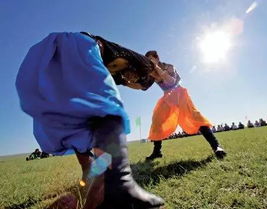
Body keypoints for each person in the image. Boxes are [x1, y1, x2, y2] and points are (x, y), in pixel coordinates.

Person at [16, 32, 164, 209]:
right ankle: (117, 185)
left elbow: (134, 86)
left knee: (79, 120)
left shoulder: (117, 76)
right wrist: (155, 65)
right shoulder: (140, 61)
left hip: (59, 56)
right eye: (136, 77)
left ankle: (91, 173)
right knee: (106, 105)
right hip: (77, 47)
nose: (132, 80)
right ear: (136, 70)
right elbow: (149, 78)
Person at [144, 50, 226, 160]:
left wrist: (157, 68)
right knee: (157, 120)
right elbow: (143, 86)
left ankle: (216, 146)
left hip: (179, 94)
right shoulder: (151, 73)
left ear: (156, 58)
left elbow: (171, 82)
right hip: (167, 97)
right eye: (148, 60)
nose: (150, 62)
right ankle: (157, 152)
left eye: (151, 59)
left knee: (195, 117)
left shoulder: (169, 67)